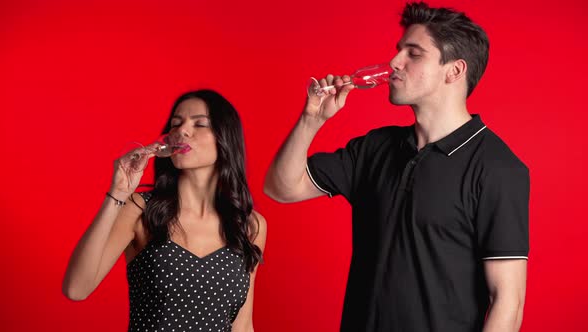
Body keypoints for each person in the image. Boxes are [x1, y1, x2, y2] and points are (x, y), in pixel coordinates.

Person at [264, 2, 528, 331]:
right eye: (398, 50)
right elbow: (281, 188)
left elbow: (508, 300)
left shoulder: (497, 168)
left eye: (413, 53)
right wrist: (311, 120)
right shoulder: (375, 147)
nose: (394, 62)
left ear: (454, 71)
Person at [63, 90, 267, 332]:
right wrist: (117, 194)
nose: (182, 131)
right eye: (176, 124)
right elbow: (76, 289)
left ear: (226, 138)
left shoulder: (250, 225)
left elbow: (242, 325)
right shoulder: (140, 209)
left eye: (200, 124)